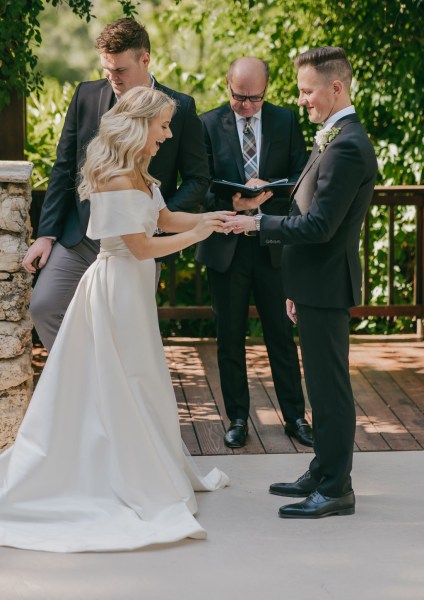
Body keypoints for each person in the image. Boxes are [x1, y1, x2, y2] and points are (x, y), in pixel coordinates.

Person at [0, 86, 230, 552]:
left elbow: (162, 217)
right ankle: (119, 472)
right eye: (162, 125)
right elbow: (140, 246)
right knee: (124, 380)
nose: (167, 134)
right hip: (116, 290)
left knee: (142, 379)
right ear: (139, 123)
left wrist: (212, 217)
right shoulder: (114, 178)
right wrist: (201, 234)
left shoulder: (139, 172)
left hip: (135, 290)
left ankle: (148, 463)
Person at [223, 47, 378, 518]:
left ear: (336, 88)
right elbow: (308, 204)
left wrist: (256, 225)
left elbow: (319, 227)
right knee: (321, 386)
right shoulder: (332, 135)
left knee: (330, 390)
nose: (302, 100)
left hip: (328, 285)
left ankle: (335, 489)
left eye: (308, 92)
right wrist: (293, 285)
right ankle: (323, 469)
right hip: (312, 284)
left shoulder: (348, 143)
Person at [23, 17, 209, 352]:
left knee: (128, 336)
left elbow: (197, 179)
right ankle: (83, 377)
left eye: (119, 71)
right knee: (44, 306)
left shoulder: (179, 107)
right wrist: (46, 235)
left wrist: (156, 218)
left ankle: (105, 386)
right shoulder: (86, 95)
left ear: (145, 59)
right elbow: (65, 167)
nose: (112, 79)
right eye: (107, 70)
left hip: (137, 244)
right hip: (79, 235)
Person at [195, 57, 313, 449]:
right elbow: (198, 186)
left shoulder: (285, 121)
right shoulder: (208, 123)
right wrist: (234, 202)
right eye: (238, 96)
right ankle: (238, 419)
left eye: (254, 98)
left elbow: (301, 177)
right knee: (230, 337)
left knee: (281, 335)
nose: (245, 105)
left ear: (267, 90)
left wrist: (271, 189)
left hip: (273, 246)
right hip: (227, 245)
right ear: (227, 84)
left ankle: (295, 417)